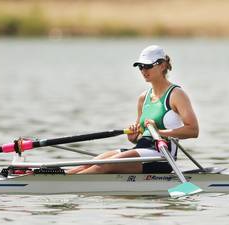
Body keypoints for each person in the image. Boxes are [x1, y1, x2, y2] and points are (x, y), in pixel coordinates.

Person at [67, 45, 199, 174]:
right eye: (140, 67)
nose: (143, 70)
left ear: (162, 65)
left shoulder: (176, 94)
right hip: (142, 150)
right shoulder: (143, 98)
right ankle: (58, 177)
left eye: (148, 66)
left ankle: (67, 184)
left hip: (163, 157)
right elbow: (141, 135)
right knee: (90, 163)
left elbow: (193, 130)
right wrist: (134, 137)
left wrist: (159, 132)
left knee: (106, 165)